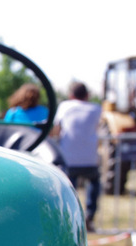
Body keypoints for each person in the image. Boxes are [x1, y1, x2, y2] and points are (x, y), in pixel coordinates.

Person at [52, 81, 103, 232]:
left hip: (68, 158)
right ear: (87, 95)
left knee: (69, 191)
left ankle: (71, 218)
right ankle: (89, 215)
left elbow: (57, 129)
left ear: (71, 95)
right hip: (89, 158)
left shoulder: (65, 106)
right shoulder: (96, 108)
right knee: (94, 184)